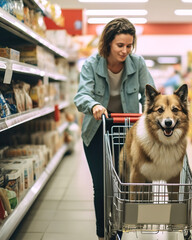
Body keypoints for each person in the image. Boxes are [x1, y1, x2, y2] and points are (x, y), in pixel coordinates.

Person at [74, 18, 155, 240]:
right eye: (120, 45)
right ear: (108, 43)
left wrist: (152, 112)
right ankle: (102, 234)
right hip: (97, 131)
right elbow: (81, 95)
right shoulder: (92, 64)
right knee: (101, 186)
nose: (125, 51)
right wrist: (94, 105)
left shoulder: (137, 63)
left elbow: (149, 94)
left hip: (125, 131)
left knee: (122, 183)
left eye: (129, 45)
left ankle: (118, 231)